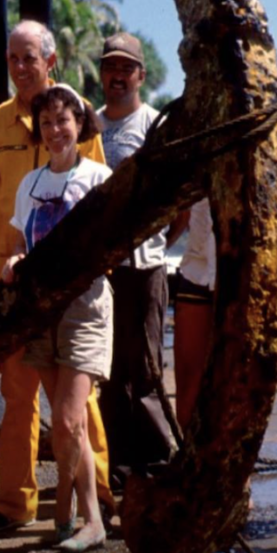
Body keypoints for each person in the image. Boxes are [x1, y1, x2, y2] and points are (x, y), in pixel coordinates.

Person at [0, 20, 114, 533]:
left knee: (79, 402)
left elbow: (101, 206)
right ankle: (15, 503)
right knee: (18, 392)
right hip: (15, 280)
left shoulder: (73, 119)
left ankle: (102, 496)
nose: (20, 67)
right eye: (12, 58)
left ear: (49, 62)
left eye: (29, 58)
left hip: (74, 287)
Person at [2, 85, 113, 552]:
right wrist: (12, 262)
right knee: (65, 423)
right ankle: (65, 507)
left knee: (69, 422)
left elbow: (112, 246)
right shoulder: (30, 183)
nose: (54, 130)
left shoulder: (100, 177)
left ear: (80, 124)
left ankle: (94, 522)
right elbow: (17, 243)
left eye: (63, 121)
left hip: (85, 308)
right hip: (40, 310)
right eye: (46, 123)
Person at [94, 33, 175, 477]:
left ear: (141, 75)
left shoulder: (153, 125)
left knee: (145, 371)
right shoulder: (88, 124)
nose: (118, 75)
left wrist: (155, 243)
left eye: (127, 68)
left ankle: (159, 463)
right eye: (111, 67)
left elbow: (175, 204)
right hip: (98, 272)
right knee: (106, 372)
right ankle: (117, 465)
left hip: (144, 267)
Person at [168, 198, 216, 432]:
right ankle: (186, 445)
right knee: (188, 376)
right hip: (196, 269)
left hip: (236, 269)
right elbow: (183, 210)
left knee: (232, 373)